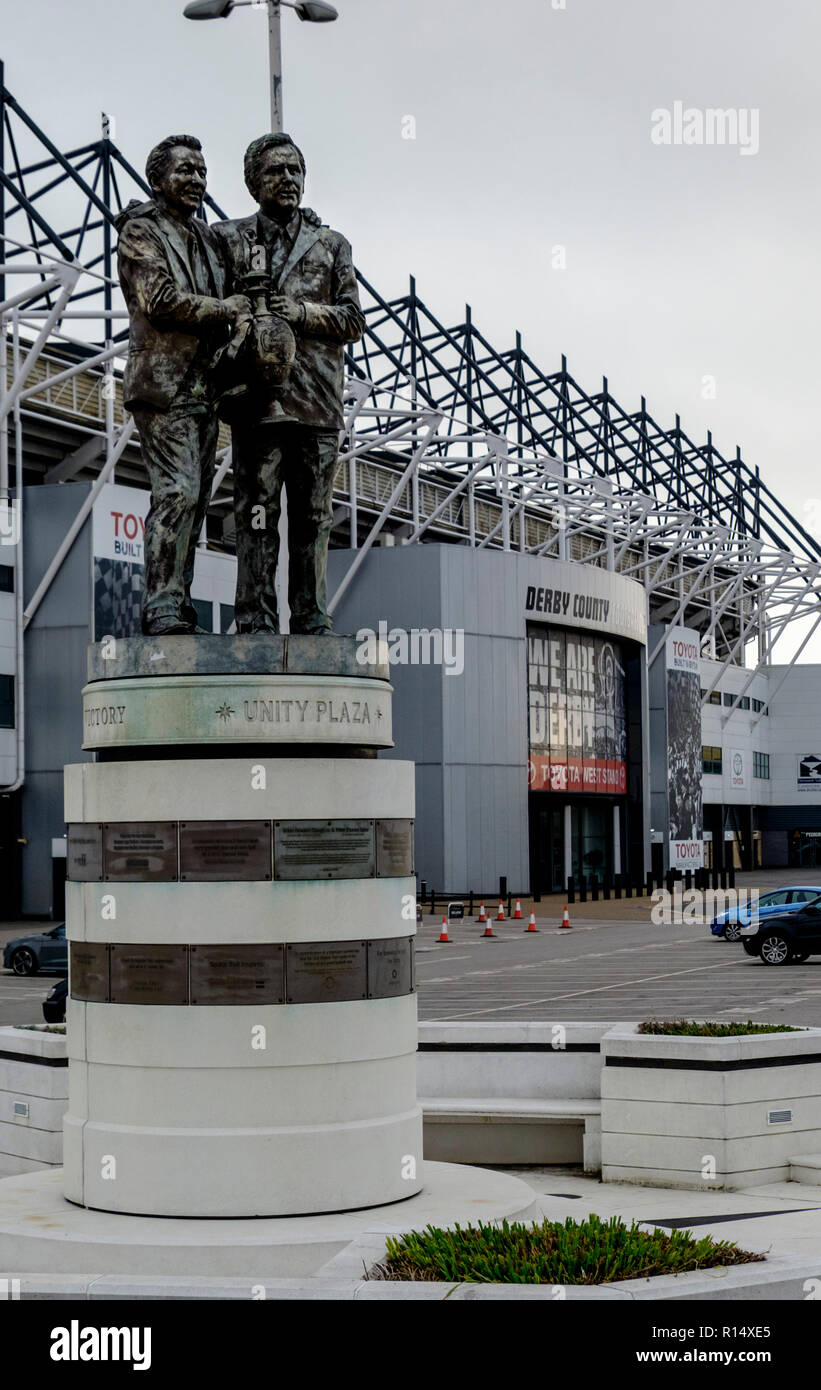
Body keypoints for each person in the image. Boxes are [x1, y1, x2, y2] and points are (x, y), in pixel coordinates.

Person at [212, 133, 365, 634]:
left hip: (317, 403)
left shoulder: (331, 244)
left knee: (314, 518)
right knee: (255, 513)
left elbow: (352, 320)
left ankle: (312, 616)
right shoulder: (229, 239)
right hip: (257, 404)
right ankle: (254, 618)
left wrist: (301, 313)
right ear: (254, 181)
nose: (288, 180)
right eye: (276, 171)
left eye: (295, 171)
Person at [116, 134, 251, 636]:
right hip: (163, 386)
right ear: (157, 181)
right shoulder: (139, 231)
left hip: (205, 389)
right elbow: (161, 300)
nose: (196, 180)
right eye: (184, 171)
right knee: (177, 492)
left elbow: (239, 285)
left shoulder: (209, 241)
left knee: (194, 507)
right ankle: (161, 606)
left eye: (201, 171)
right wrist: (225, 310)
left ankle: (179, 606)